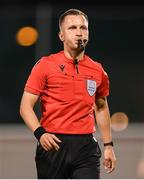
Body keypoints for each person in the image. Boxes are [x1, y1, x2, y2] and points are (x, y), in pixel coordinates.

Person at [20, 8, 116, 179]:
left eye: (83, 28)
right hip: (53, 144)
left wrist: (108, 145)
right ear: (61, 36)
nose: (79, 32)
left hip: (86, 146)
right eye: (72, 28)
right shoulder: (45, 65)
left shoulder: (97, 69)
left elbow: (101, 107)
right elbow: (25, 107)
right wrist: (40, 133)